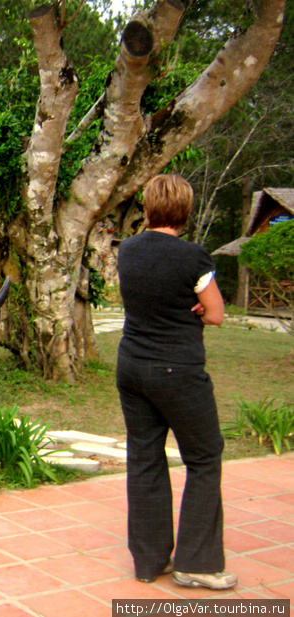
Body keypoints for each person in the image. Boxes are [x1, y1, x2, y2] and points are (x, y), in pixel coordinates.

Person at [116, 174, 236, 590]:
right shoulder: (193, 257)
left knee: (145, 458)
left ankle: (150, 561)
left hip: (131, 366)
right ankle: (198, 564)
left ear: (148, 208)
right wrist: (197, 310)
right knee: (204, 457)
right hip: (177, 371)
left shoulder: (127, 251)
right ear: (185, 210)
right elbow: (217, 313)